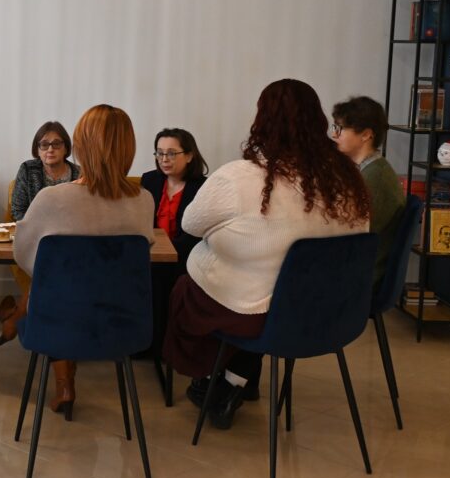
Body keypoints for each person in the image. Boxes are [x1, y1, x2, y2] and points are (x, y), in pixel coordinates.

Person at [164, 79, 370, 430]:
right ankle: (236, 380)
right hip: (329, 313)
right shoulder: (347, 177)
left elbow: (190, 224)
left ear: (261, 121)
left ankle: (214, 382)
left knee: (194, 290)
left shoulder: (239, 177)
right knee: (259, 291)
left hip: (258, 315)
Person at [12, 104, 155, 419]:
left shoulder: (52, 198)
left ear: (77, 146)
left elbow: (24, 257)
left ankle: (14, 319)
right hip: (123, 326)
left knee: (38, 297)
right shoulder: (144, 200)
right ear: (129, 148)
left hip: (58, 324)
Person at [0, 121, 81, 343]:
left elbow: (81, 212)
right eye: (44, 144)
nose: (50, 149)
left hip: (69, 240)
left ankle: (18, 315)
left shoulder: (79, 173)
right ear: (37, 149)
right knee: (50, 262)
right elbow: (18, 210)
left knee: (52, 263)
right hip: (35, 238)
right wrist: (42, 229)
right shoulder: (28, 169)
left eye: (56, 144)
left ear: (66, 148)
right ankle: (55, 334)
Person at [140, 128, 208, 356]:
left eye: (171, 153)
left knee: (160, 277)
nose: (164, 159)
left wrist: (167, 253)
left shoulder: (203, 187)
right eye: (159, 153)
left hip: (186, 258)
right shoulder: (150, 180)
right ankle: (146, 343)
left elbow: (195, 236)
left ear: (189, 155)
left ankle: (166, 347)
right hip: (152, 255)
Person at [331, 96, 406, 288]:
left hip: (363, 275)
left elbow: (350, 234)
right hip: (360, 266)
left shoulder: (376, 177)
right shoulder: (369, 170)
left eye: (340, 128)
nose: (334, 134)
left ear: (365, 135)